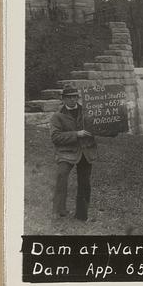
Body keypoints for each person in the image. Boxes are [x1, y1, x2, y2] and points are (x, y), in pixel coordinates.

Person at [50, 84, 96, 221]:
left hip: (86, 151)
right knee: (61, 176)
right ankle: (59, 211)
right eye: (69, 97)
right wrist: (76, 134)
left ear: (78, 97)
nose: (72, 100)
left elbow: (99, 128)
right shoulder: (57, 116)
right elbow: (55, 137)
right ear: (63, 99)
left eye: (74, 97)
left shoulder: (88, 111)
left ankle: (82, 214)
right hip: (67, 152)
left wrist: (112, 128)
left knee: (85, 182)